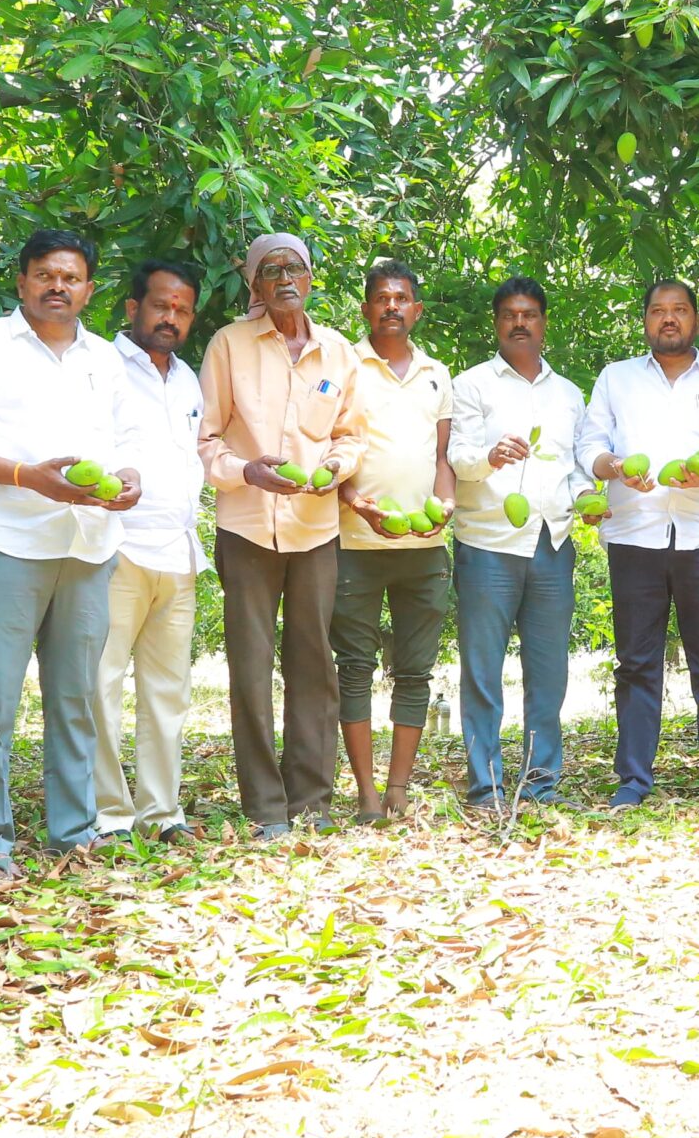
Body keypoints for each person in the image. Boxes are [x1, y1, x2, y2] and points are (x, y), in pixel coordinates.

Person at [0, 228, 143, 889]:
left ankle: (73, 833)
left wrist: (130, 478)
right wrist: (29, 477)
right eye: (45, 275)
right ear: (21, 282)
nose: (58, 286)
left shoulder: (106, 359)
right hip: (12, 545)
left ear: (88, 289)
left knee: (76, 698)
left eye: (72, 277)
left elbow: (126, 437)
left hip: (88, 547)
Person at [199, 235, 367, 837]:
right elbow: (206, 438)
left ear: (311, 278)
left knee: (313, 664)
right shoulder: (229, 345)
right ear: (256, 287)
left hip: (315, 528)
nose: (284, 279)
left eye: (294, 267)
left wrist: (333, 470)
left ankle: (312, 801)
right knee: (249, 667)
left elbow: (350, 436)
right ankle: (266, 806)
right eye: (270, 271)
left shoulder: (339, 354)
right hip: (246, 526)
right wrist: (245, 471)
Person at [578, 279, 699, 807]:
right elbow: (590, 444)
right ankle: (634, 780)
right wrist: (612, 466)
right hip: (634, 535)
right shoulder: (616, 380)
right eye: (658, 311)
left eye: (679, 310)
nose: (668, 319)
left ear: (695, 319)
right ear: (644, 321)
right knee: (636, 663)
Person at [447, 277, 585, 809]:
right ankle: (486, 785)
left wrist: (590, 500)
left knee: (548, 673)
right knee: (482, 671)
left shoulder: (569, 394)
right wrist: (490, 455)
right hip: (488, 544)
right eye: (509, 314)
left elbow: (574, 471)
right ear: (497, 323)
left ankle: (542, 780)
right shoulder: (473, 385)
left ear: (544, 323)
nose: (519, 322)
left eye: (529, 314)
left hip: (553, 543)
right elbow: (458, 457)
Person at [94, 261, 209, 847]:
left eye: (183, 310)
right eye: (161, 305)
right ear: (132, 306)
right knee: (102, 687)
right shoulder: (99, 364)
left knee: (169, 694)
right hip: (117, 550)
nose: (171, 318)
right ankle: (109, 818)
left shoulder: (188, 379)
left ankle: (162, 814)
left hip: (179, 554)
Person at [335, 260, 454, 822]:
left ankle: (399, 787)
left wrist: (446, 506)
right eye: (381, 298)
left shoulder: (437, 373)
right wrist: (355, 501)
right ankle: (363, 791)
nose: (391, 306)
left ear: (416, 310)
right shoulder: (344, 366)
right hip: (353, 545)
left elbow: (441, 459)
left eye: (401, 298)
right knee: (353, 668)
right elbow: (329, 445)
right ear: (365, 309)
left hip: (423, 551)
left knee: (414, 671)